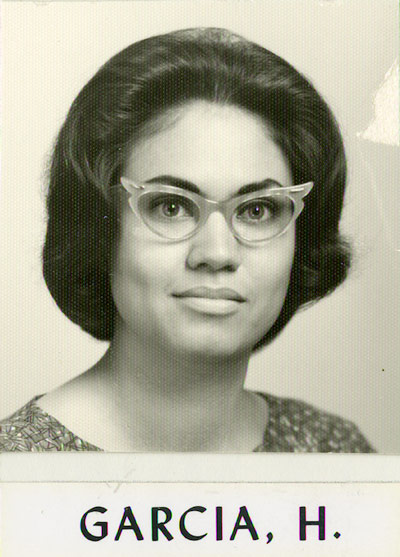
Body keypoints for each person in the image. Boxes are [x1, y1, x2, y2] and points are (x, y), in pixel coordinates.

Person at [0, 27, 374, 453]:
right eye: (171, 207)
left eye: (257, 210)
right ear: (100, 231)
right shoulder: (15, 470)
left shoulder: (335, 452)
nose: (217, 254)